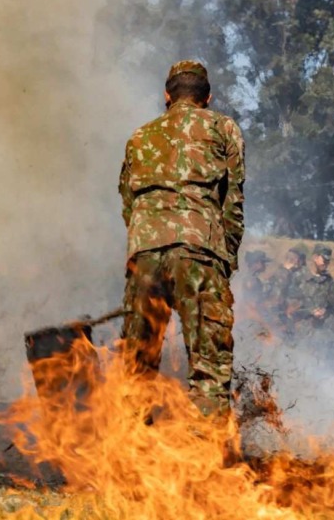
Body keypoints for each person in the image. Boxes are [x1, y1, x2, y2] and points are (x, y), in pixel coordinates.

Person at [119, 59, 245, 418]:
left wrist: (143, 249)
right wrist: (226, 259)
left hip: (144, 252)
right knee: (209, 366)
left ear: (167, 95)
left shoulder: (140, 135)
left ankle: (131, 457)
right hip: (200, 251)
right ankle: (206, 464)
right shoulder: (223, 128)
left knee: (137, 366)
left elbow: (128, 203)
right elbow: (233, 199)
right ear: (208, 97)